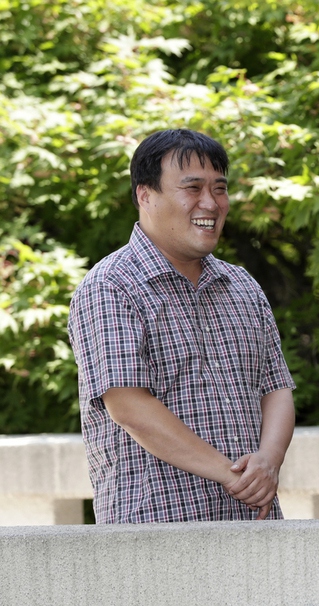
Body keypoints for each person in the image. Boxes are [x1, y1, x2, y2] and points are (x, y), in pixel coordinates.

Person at [68, 129, 296, 523]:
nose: (210, 202)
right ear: (145, 195)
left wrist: (268, 463)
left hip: (254, 524)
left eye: (219, 188)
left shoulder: (242, 285)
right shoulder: (110, 286)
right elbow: (129, 406)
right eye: (192, 188)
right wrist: (234, 475)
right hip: (154, 529)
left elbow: (276, 389)